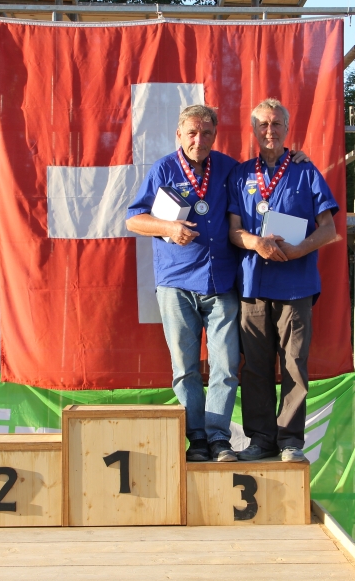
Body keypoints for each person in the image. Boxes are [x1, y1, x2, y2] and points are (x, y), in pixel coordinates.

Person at [125, 105, 309, 463]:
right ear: (179, 134)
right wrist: (168, 228)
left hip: (222, 281)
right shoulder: (164, 169)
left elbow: (267, 172)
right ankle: (196, 440)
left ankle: (219, 439)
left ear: (215, 135)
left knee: (225, 366)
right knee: (186, 368)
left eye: (207, 133)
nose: (199, 139)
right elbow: (135, 220)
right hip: (176, 282)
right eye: (192, 132)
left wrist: (297, 157)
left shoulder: (228, 168)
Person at [226, 98, 338, 463]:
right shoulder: (241, 174)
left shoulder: (307, 172)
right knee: (255, 368)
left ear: (286, 129)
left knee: (293, 364)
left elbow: (329, 229)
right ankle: (260, 439)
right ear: (254, 130)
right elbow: (233, 231)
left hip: (296, 285)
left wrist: (298, 250)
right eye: (263, 125)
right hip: (253, 286)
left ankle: (290, 441)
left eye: (276, 124)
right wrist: (256, 243)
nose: (270, 131)